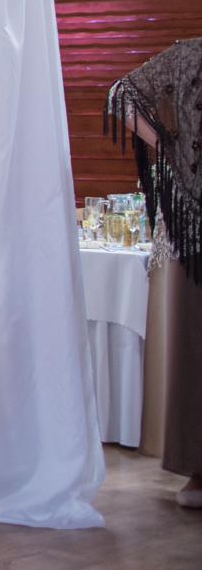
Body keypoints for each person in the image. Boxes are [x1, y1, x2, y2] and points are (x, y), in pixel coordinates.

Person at [108, 39, 202, 510]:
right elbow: (123, 95)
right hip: (195, 226)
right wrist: (170, 145)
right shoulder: (190, 56)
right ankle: (198, 473)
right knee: (194, 347)